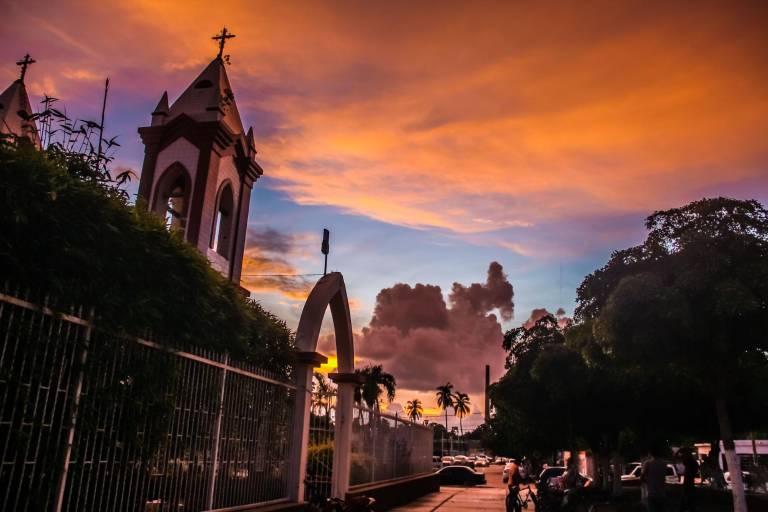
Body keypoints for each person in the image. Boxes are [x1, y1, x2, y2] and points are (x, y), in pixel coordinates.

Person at [641, 447, 668, 512]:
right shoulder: (664, 463)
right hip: (662, 493)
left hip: (652, 493)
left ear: (651, 454)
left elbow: (642, 477)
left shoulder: (648, 463)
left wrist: (648, 482)